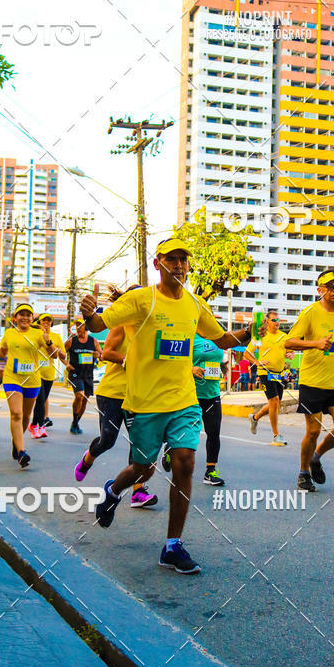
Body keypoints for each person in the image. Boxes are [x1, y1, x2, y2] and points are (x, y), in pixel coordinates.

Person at [80, 237, 252, 575]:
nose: (178, 266)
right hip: (145, 403)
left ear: (188, 266)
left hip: (185, 400)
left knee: (185, 461)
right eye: (171, 259)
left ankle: (172, 546)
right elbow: (101, 325)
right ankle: (114, 490)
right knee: (142, 470)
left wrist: (247, 332)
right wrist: (89, 315)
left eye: (183, 260)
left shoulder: (193, 303)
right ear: (158, 264)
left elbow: (220, 338)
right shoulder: (141, 300)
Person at [74, 286, 158, 509]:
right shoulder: (122, 324)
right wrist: (131, 361)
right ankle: (87, 459)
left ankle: (137, 492)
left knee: (138, 443)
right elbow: (107, 352)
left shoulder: (149, 327)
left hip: (137, 393)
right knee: (107, 440)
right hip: (112, 392)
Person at [285, 270, 334, 492]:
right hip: (312, 381)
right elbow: (289, 342)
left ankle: (316, 457)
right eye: (330, 287)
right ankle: (303, 474)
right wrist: (316, 344)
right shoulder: (310, 312)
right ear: (320, 290)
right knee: (313, 431)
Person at [0, 303, 58, 468]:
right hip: (12, 379)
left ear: (32, 318)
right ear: (15, 318)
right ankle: (21, 452)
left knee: (26, 416)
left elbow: (54, 355)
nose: (25, 317)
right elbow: (2, 352)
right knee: (16, 413)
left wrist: (48, 343)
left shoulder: (38, 334)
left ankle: (16, 441)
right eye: (21, 314)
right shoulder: (9, 333)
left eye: (28, 315)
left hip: (33, 380)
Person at [246, 312, 288, 446]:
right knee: (274, 401)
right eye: (274, 320)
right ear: (267, 321)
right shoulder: (260, 335)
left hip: (279, 374)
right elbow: (247, 353)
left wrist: (290, 354)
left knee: (276, 404)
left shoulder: (283, 336)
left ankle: (255, 417)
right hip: (265, 372)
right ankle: (276, 435)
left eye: (278, 320)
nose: (277, 322)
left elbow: (287, 351)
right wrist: (257, 362)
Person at [192, 332, 226, 485]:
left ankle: (210, 471)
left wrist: (222, 369)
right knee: (187, 432)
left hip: (212, 393)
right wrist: (192, 368)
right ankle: (169, 450)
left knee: (214, 432)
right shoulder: (190, 336)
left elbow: (218, 360)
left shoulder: (217, 337)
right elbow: (175, 361)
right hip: (191, 393)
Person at [29, 313, 66, 438]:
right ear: (39, 322)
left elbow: (62, 355)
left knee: (43, 400)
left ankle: (35, 425)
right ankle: (39, 426)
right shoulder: (34, 335)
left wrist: (56, 348)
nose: (46, 322)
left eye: (49, 321)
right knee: (40, 400)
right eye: (43, 320)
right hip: (36, 372)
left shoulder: (56, 336)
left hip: (49, 373)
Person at [65, 321, 102, 434]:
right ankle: (75, 423)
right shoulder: (71, 341)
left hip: (88, 375)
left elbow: (102, 355)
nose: (78, 329)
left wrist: (98, 355)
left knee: (84, 400)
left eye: (80, 326)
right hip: (75, 374)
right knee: (79, 395)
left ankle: (75, 422)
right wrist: (66, 363)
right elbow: (60, 353)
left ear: (86, 327)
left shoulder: (93, 341)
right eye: (77, 327)